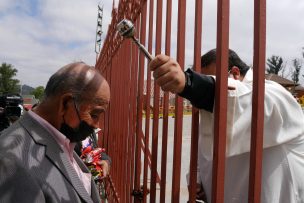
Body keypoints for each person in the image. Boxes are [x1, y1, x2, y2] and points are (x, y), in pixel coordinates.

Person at [149, 49, 304, 203]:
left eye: (210, 79)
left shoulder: (276, 95)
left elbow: (247, 101)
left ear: (234, 73)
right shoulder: (214, 111)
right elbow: (204, 150)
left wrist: (190, 83)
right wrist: (197, 179)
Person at [0, 62, 110, 203]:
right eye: (94, 114)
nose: (96, 125)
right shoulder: (11, 163)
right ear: (65, 104)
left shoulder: (62, 139)